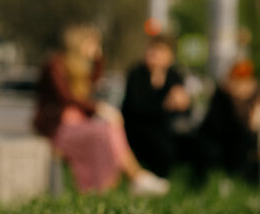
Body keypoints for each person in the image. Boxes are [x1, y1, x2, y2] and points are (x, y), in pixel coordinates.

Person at [32, 24, 170, 196]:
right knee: (105, 131)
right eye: (92, 44)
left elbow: (94, 82)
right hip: (57, 128)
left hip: (76, 126)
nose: (95, 49)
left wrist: (98, 59)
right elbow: (65, 97)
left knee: (108, 130)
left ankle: (117, 183)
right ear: (80, 43)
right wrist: (100, 108)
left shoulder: (79, 66)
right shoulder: (56, 65)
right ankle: (129, 179)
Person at [121, 33, 192, 178]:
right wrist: (165, 105)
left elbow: (184, 109)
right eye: (152, 49)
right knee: (160, 145)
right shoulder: (137, 74)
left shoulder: (174, 75)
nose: (154, 54)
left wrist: (184, 103)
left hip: (166, 127)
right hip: (138, 128)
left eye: (160, 51)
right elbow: (136, 109)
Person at [197, 59, 260, 184]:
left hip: (242, 140)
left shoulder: (257, 95)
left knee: (250, 143)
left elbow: (257, 123)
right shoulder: (222, 95)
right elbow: (213, 124)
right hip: (219, 139)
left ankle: (250, 183)